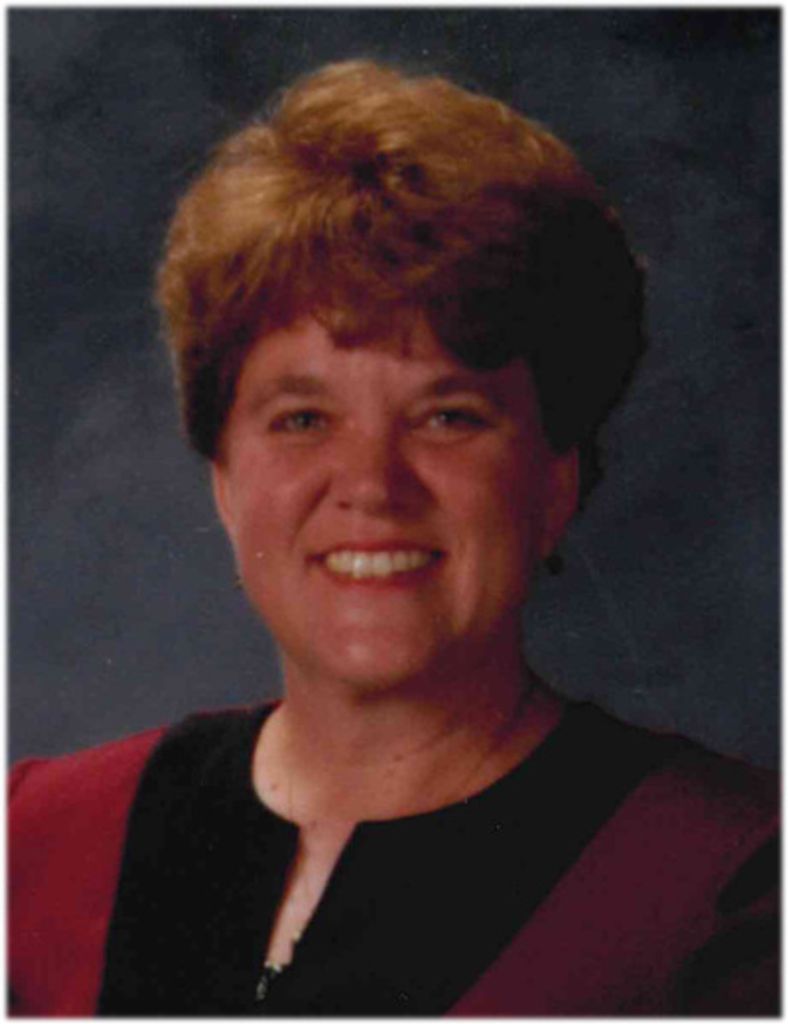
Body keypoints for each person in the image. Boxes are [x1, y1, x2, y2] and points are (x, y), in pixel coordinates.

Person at [9, 60, 778, 1016]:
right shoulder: (36, 844)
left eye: (448, 417)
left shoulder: (728, 884)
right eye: (302, 419)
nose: (372, 486)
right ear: (225, 480)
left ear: (555, 479)